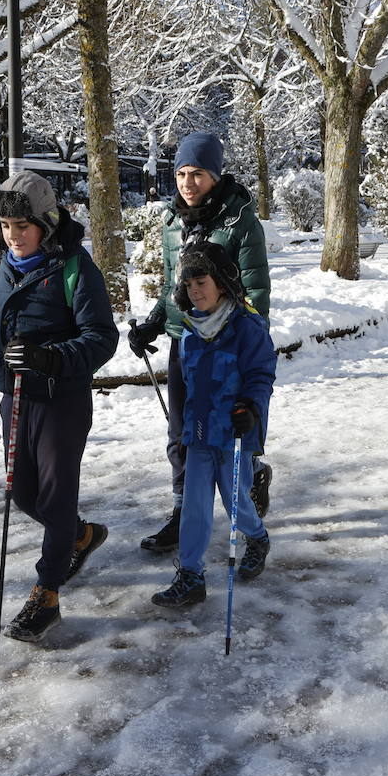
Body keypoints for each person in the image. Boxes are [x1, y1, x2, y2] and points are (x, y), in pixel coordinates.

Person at [0, 171, 119, 643]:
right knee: (23, 495)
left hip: (61, 401)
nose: (13, 235)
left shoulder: (75, 267)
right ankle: (79, 535)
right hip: (15, 399)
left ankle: (47, 592)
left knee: (55, 501)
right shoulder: (1, 268)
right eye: (6, 225)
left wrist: (50, 358)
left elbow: (101, 338)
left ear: (46, 223)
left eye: (23, 225)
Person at [126, 133, 273, 554]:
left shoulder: (240, 221)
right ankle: (181, 511)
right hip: (185, 342)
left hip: (228, 343)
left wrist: (250, 340)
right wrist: (155, 322)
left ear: (215, 175)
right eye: (181, 174)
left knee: (230, 430)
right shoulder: (172, 221)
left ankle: (252, 472)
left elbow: (256, 289)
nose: (188, 183)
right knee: (183, 432)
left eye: (198, 174)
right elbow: (175, 287)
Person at [151, 241, 276, 607]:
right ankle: (190, 574)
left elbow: (261, 374)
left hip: (236, 429)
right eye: (189, 285)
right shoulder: (190, 330)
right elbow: (191, 383)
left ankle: (257, 537)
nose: (195, 290)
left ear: (221, 282)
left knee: (235, 499)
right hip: (201, 431)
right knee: (194, 503)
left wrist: (251, 406)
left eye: (201, 282)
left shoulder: (246, 327)